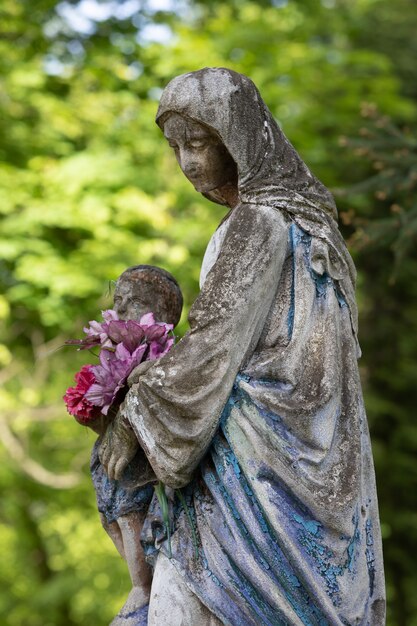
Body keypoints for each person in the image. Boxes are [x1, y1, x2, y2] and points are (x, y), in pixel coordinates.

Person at [100, 68, 386, 625]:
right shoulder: (303, 221)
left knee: (191, 597)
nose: (186, 161)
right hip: (313, 453)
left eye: (199, 142)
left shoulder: (257, 222)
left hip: (257, 458)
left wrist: (135, 406)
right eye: (175, 146)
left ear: (239, 138)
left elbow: (214, 344)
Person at [90, 265, 183, 625]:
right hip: (114, 451)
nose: (123, 310)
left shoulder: (169, 354)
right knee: (107, 506)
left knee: (130, 502)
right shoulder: (119, 350)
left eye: (136, 303)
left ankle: (142, 585)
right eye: (119, 301)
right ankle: (137, 580)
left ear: (163, 315)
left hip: (146, 465)